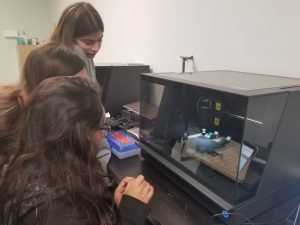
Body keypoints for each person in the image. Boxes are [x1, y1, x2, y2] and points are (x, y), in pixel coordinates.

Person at [0, 76, 154, 225]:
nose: (101, 137)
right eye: (101, 128)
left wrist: (116, 208)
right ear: (81, 136)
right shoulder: (53, 212)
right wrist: (130, 211)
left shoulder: (31, 168)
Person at [0, 42, 86, 169]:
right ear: (49, 86)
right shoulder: (6, 123)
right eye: (77, 87)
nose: (84, 94)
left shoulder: (43, 110)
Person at [50, 2, 104, 84]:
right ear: (69, 37)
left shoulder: (86, 56)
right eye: (88, 42)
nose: (96, 48)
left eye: (100, 40)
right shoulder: (52, 63)